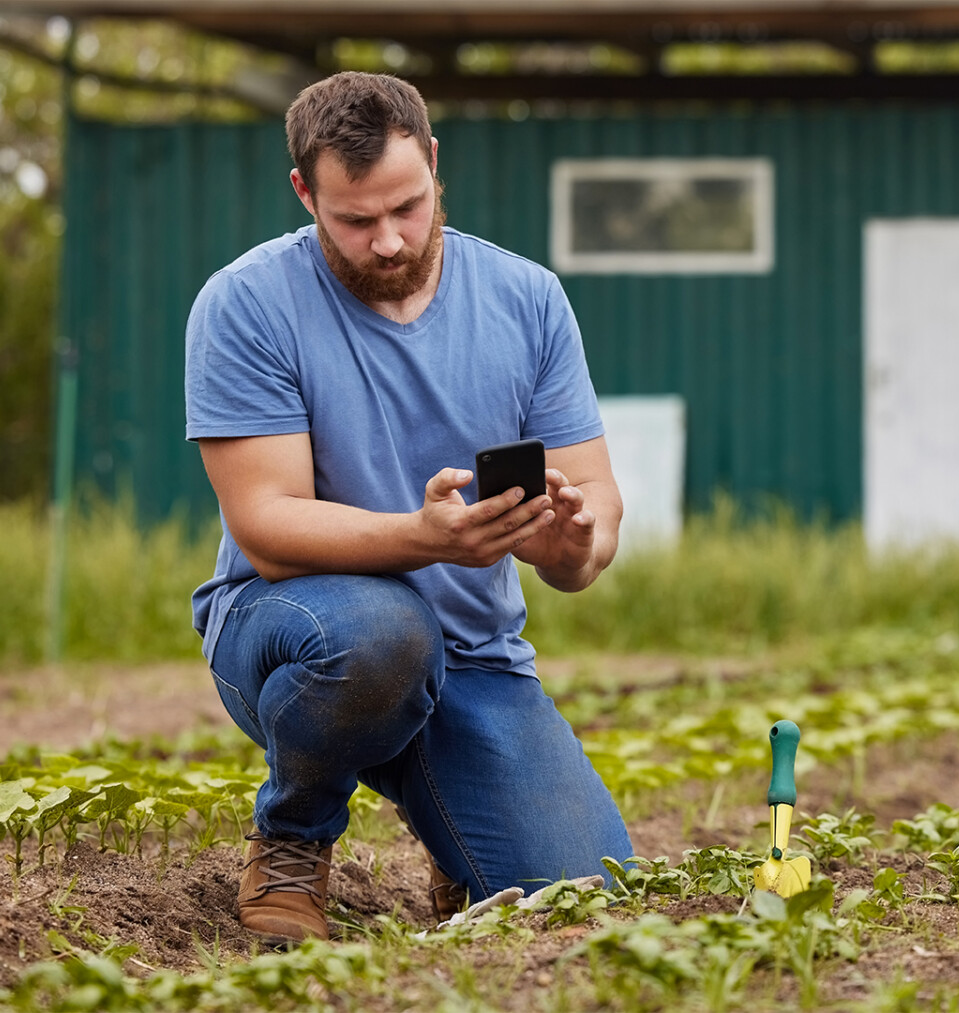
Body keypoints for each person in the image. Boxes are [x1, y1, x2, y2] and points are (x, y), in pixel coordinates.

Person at [183, 71, 633, 943]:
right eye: (354, 220)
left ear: (433, 163)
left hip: (475, 655)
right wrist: (423, 539)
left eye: (408, 207)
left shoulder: (528, 299)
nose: (388, 242)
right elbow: (269, 528)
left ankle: (452, 826)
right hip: (297, 626)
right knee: (386, 632)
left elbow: (596, 510)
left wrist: (573, 540)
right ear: (304, 193)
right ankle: (293, 837)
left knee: (587, 900)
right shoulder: (246, 304)